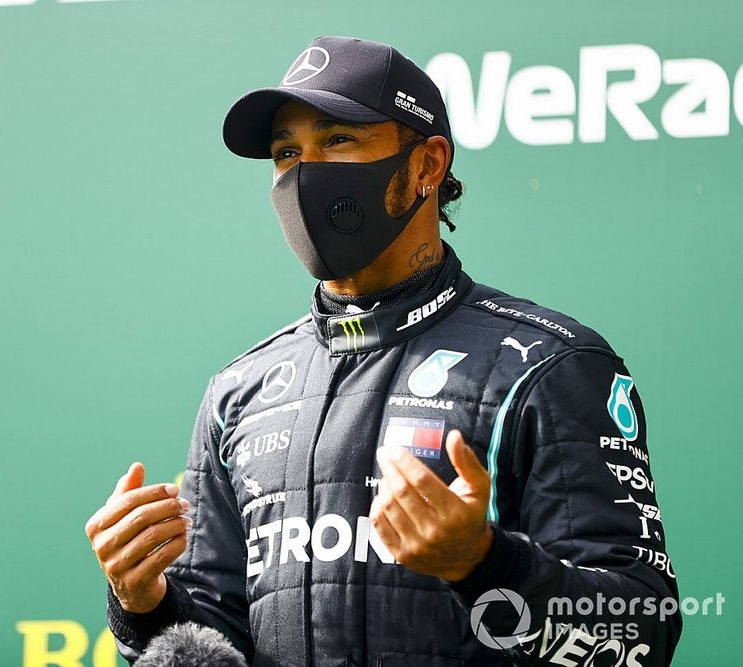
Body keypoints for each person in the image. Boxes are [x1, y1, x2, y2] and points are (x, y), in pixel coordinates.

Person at [85, 35, 682, 666]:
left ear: (427, 165)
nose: (304, 173)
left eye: (338, 139)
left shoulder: (546, 366)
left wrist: (482, 563)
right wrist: (142, 601)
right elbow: (216, 636)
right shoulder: (239, 393)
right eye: (287, 152)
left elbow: (641, 632)